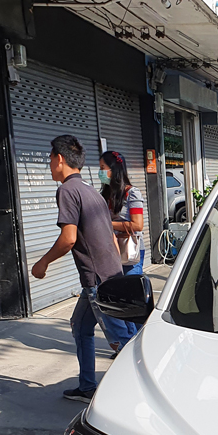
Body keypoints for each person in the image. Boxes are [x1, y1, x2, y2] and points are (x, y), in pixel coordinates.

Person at [30, 134, 125, 402]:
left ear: (59, 159)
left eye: (50, 159)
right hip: (106, 275)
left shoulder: (67, 190)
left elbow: (69, 239)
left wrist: (42, 262)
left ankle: (146, 394)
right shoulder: (90, 190)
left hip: (98, 281)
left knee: (121, 342)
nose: (49, 165)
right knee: (80, 327)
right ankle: (86, 387)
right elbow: (111, 238)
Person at [98, 150, 145, 351]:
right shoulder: (104, 195)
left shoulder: (132, 193)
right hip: (111, 253)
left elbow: (138, 224)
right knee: (118, 302)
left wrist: (108, 224)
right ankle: (129, 345)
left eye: (102, 169)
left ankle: (139, 346)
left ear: (114, 170)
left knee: (132, 302)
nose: (100, 173)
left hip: (130, 254)